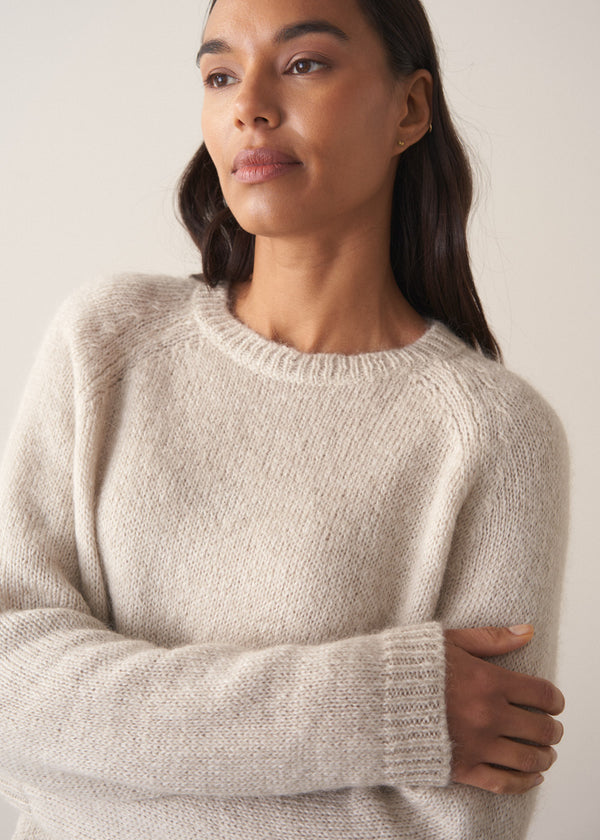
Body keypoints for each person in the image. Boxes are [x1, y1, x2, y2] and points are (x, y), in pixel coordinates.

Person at [0, 0, 569, 838]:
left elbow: (456, 824)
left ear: (409, 110)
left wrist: (108, 758)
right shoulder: (106, 343)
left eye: (304, 64)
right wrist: (385, 709)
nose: (249, 105)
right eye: (220, 73)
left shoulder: (495, 434)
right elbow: (14, 682)